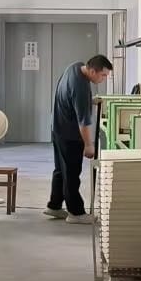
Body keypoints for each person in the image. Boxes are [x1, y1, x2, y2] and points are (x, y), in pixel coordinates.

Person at [42, 54, 113, 224]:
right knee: (72, 173)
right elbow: (84, 122)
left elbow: (71, 97)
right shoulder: (80, 87)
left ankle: (54, 206)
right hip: (70, 135)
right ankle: (76, 212)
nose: (103, 79)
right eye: (103, 75)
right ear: (92, 71)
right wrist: (89, 145)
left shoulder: (76, 66)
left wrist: (90, 101)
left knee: (61, 169)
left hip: (58, 128)